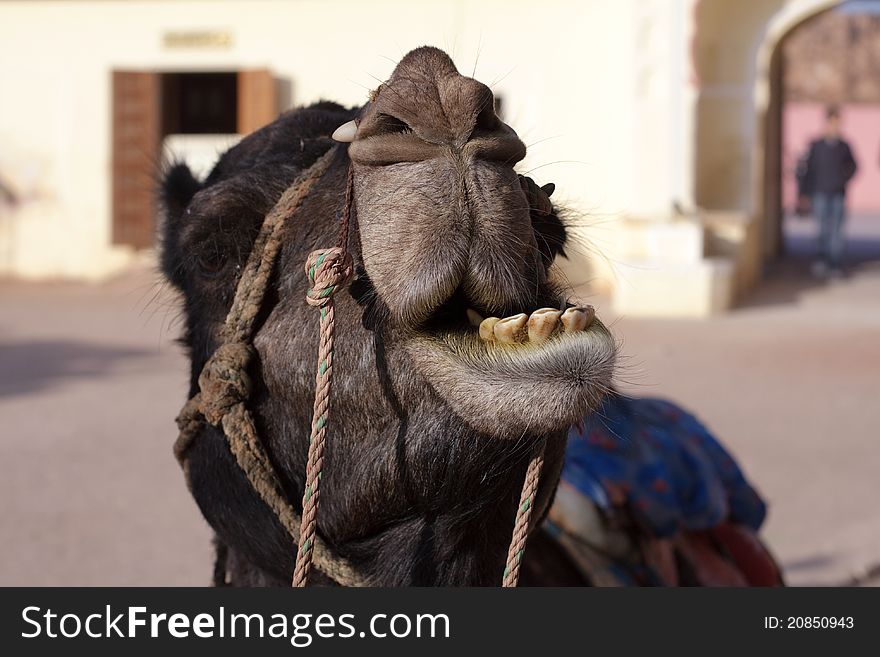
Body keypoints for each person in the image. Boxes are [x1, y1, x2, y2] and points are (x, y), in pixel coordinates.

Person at [799, 106, 858, 278]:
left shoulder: (844, 146)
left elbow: (854, 166)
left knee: (837, 230)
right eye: (832, 122)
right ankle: (822, 259)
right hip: (819, 193)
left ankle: (835, 263)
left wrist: (842, 178)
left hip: (838, 193)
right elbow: (808, 170)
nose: (835, 126)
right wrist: (804, 193)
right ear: (826, 123)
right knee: (823, 228)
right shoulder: (816, 146)